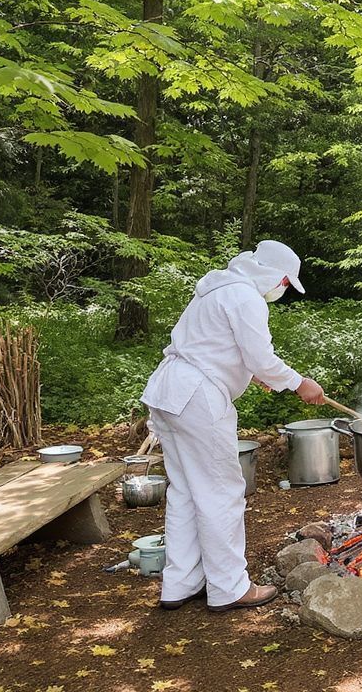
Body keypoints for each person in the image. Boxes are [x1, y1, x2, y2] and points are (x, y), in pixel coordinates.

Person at [141, 240, 327, 610]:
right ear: (276, 276)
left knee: (186, 493)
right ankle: (229, 588)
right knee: (221, 493)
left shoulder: (217, 290)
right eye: (286, 283)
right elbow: (260, 355)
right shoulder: (245, 297)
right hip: (196, 396)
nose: (283, 291)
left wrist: (258, 374)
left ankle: (180, 583)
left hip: (170, 391)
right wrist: (299, 382)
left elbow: (219, 347)